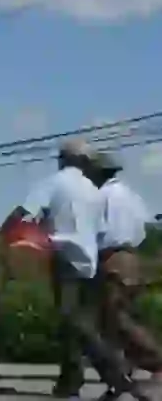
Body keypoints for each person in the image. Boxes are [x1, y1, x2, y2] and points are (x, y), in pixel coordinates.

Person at [1, 139, 141, 399]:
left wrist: (6, 232)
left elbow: (24, 211)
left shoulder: (53, 182)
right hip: (91, 261)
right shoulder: (93, 189)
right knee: (77, 324)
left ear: (62, 159)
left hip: (65, 258)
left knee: (75, 322)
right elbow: (100, 230)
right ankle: (69, 382)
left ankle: (114, 375)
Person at [90, 150, 162, 384]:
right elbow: (144, 227)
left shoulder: (101, 196)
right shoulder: (131, 195)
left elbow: (99, 232)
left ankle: (155, 360)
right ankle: (123, 372)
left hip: (112, 258)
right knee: (121, 316)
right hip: (133, 257)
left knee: (116, 318)